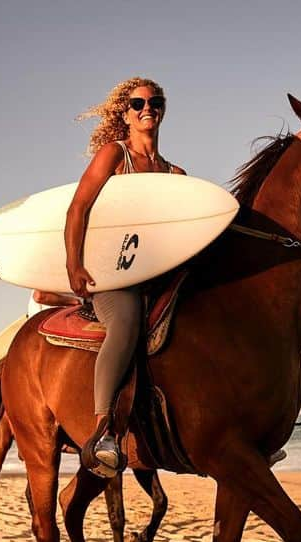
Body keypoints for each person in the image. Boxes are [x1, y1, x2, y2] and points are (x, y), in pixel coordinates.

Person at [66, 77, 185, 474]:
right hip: (112, 274)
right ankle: (103, 429)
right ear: (126, 113)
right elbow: (78, 209)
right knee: (127, 323)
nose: (147, 108)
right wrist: (74, 264)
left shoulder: (175, 175)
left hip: (157, 272)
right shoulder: (114, 155)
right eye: (137, 103)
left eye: (155, 101)